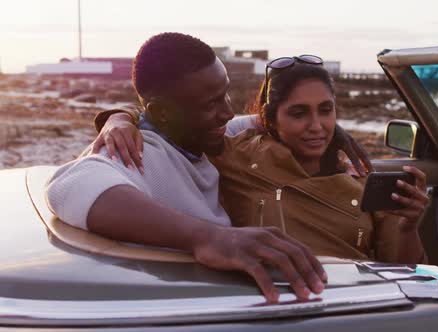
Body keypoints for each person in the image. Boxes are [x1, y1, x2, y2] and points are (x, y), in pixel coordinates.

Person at [45, 33, 336, 304]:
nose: (227, 111)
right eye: (211, 104)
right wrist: (207, 237)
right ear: (162, 113)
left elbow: (261, 121)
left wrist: (330, 130)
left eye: (226, 94)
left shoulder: (200, 136)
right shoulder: (140, 152)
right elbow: (72, 184)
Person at [93, 54, 430, 263]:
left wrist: (408, 225)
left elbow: (402, 271)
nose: (317, 126)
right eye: (298, 113)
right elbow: (174, 119)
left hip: (353, 305)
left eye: (326, 111)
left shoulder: (362, 178)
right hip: (267, 306)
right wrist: (120, 117)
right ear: (269, 118)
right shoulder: (232, 155)